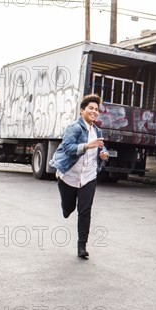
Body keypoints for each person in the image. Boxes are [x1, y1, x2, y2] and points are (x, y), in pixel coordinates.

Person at [50, 94, 109, 259]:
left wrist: (104, 154)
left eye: (97, 109)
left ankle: (81, 246)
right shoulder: (74, 127)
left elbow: (103, 150)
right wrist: (87, 146)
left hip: (89, 177)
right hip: (69, 175)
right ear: (82, 110)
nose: (94, 111)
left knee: (85, 211)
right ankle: (66, 205)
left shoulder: (97, 131)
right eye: (91, 108)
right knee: (69, 209)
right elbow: (67, 147)